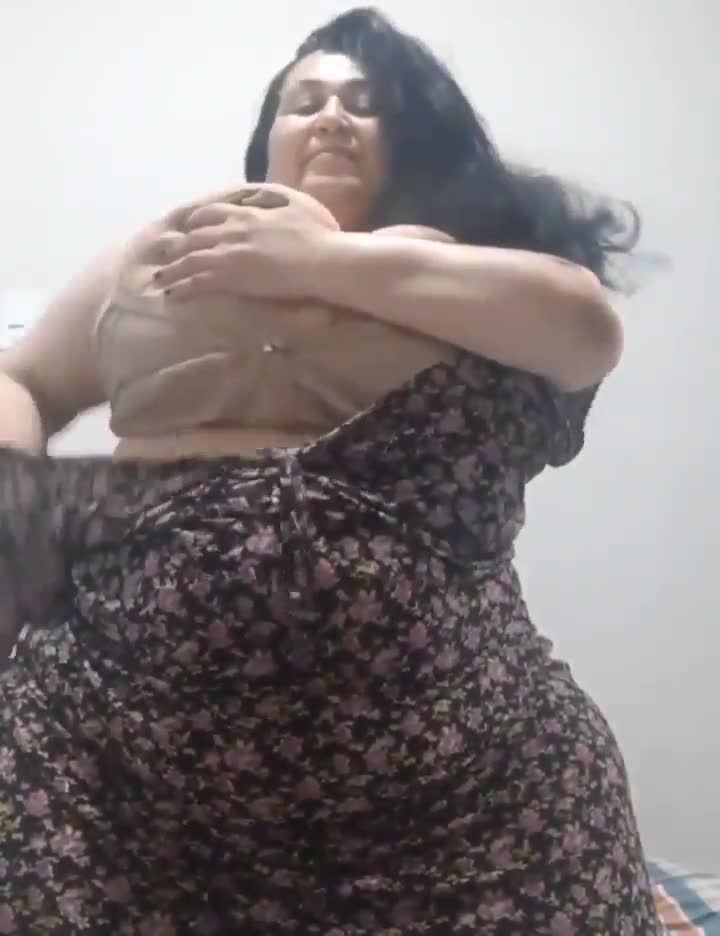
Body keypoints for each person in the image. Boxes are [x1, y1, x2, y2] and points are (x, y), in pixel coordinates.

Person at [0, 6, 661, 934]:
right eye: (304, 101)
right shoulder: (157, 255)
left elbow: (585, 332)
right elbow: (21, 378)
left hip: (463, 805)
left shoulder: (465, 271)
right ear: (266, 141)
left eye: (366, 101)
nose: (333, 116)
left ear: (413, 138)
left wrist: (315, 261)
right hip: (124, 796)